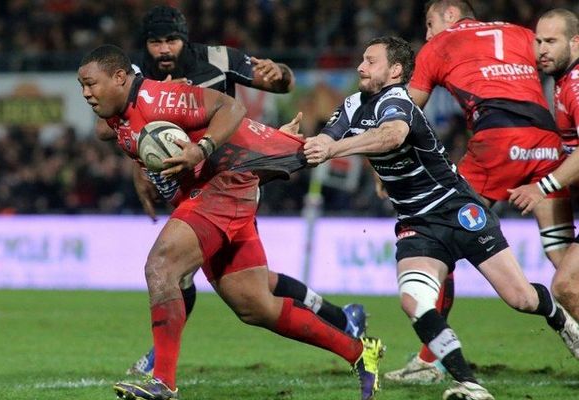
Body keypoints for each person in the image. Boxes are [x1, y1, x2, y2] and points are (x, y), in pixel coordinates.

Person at [78, 44, 384, 400]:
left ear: (120, 78)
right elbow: (109, 130)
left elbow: (231, 107)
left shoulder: (161, 99)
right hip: (217, 193)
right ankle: (361, 352)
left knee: (161, 266)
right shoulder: (116, 115)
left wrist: (202, 148)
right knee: (255, 306)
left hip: (223, 186)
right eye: (81, 86)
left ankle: (162, 382)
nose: (86, 93)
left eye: (91, 85)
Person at [303, 35, 579, 400]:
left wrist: (335, 148)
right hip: (417, 225)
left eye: (370, 61)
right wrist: (299, 143)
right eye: (362, 60)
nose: (360, 67)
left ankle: (560, 319)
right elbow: (325, 139)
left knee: (522, 299)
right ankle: (469, 383)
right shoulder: (353, 104)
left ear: (395, 70)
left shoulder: (398, 102)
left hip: (458, 211)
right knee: (413, 299)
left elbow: (391, 136)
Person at [384, 0, 579, 383]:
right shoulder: (527, 36)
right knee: (563, 262)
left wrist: (387, 162)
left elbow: (406, 112)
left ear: (451, 15)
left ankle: (429, 360)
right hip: (547, 145)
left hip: (497, 142)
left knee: (438, 234)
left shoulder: (438, 47)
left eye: (429, 23)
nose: (427, 34)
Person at [509, 9, 579, 320]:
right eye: (538, 41)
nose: (542, 49)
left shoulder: (576, 85)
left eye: (551, 41)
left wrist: (543, 187)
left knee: (565, 285)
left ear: (575, 42)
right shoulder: (563, 82)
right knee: (565, 271)